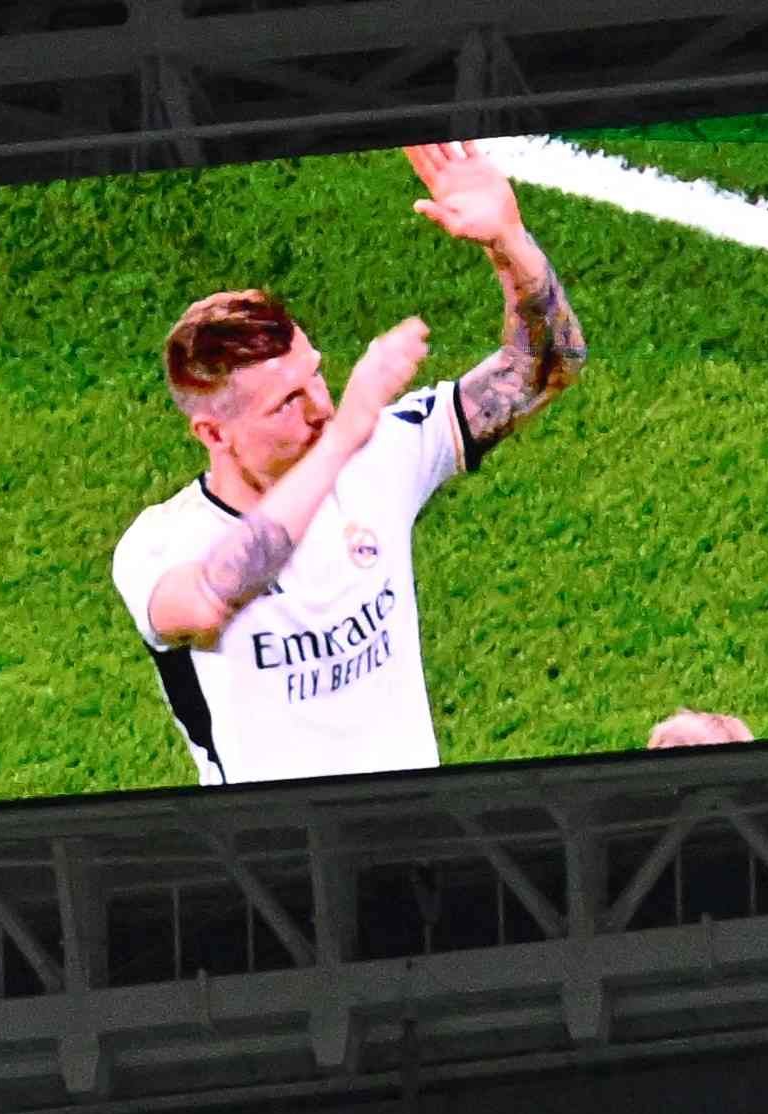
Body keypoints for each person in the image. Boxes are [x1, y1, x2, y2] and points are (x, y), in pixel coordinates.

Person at [115, 144, 588, 786]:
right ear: (213, 433)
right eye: (287, 402)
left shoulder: (379, 450)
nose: (320, 405)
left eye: (315, 374)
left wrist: (509, 243)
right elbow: (205, 604)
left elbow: (546, 367)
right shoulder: (160, 543)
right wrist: (344, 437)